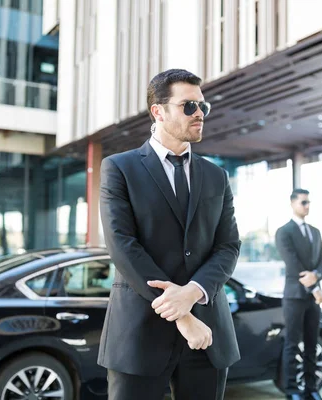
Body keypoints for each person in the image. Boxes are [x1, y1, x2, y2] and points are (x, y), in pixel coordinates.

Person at [98, 69, 241, 400]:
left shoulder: (217, 176)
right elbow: (122, 247)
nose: (199, 114)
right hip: (138, 335)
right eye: (189, 106)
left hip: (208, 335)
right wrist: (182, 315)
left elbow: (228, 246)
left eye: (203, 107)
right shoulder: (119, 168)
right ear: (158, 111)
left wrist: (192, 293)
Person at [276, 189, 322, 400]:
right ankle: (291, 390)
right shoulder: (284, 231)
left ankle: (311, 388)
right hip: (295, 298)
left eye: (309, 202)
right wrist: (315, 289)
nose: (307, 206)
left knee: (311, 343)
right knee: (291, 343)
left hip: (312, 300)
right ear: (292, 203)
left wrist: (316, 275)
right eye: (304, 202)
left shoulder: (315, 232)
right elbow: (294, 265)